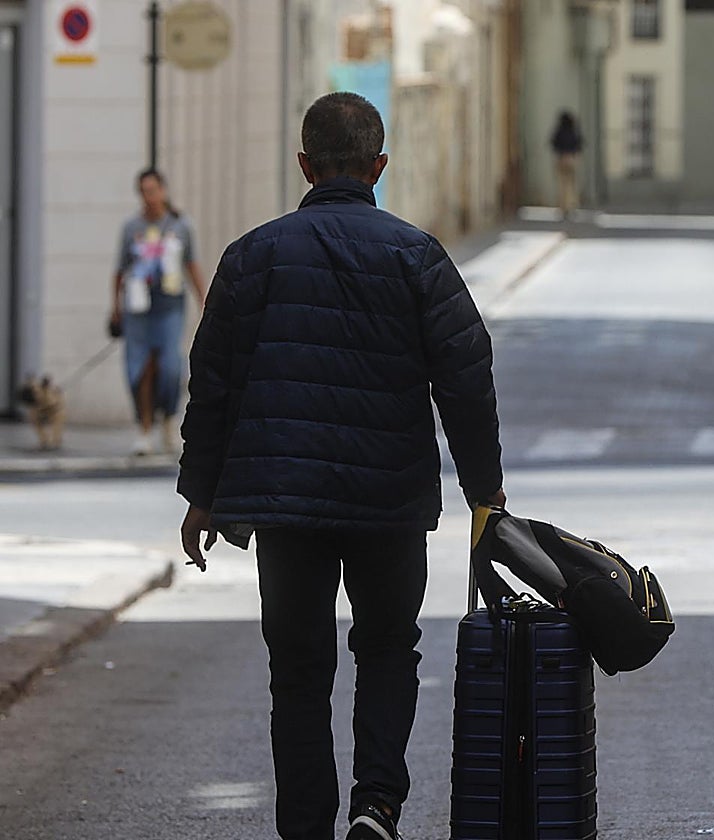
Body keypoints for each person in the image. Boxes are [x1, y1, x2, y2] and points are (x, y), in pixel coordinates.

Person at [176, 92, 506, 840]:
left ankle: (305, 826)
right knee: (389, 647)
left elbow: (213, 384)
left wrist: (202, 493)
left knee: (297, 673)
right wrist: (485, 491)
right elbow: (466, 377)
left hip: (285, 505)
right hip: (389, 501)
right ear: (379, 167)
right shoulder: (417, 256)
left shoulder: (250, 256)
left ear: (304, 164)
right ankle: (376, 805)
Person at [111, 169, 206, 455]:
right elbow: (120, 269)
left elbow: (192, 264)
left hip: (169, 305)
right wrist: (115, 306)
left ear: (163, 190)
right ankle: (144, 427)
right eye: (143, 191)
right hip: (138, 306)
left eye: (153, 190)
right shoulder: (132, 227)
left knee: (169, 366)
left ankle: (168, 415)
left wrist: (204, 300)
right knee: (139, 367)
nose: (149, 197)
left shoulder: (180, 224)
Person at [550, 110, 583, 216]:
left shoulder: (559, 131)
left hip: (561, 158)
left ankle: (562, 206)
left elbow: (553, 143)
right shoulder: (574, 131)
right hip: (572, 159)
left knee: (562, 184)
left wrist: (560, 152)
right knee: (571, 184)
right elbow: (579, 144)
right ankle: (571, 205)